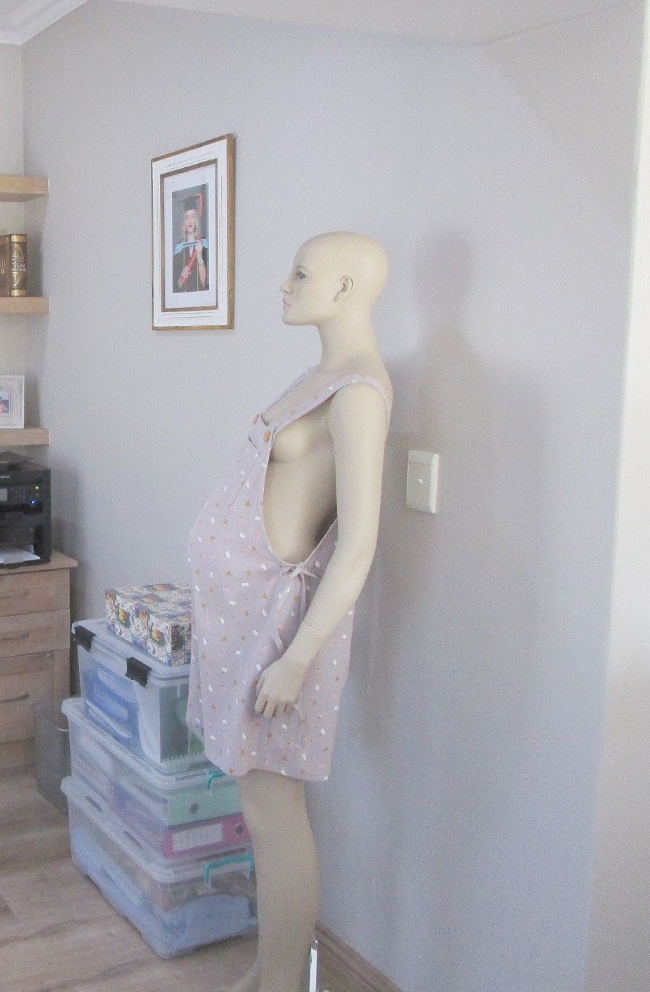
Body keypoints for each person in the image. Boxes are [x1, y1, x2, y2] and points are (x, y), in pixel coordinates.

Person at [186, 232, 392, 992]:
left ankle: (282, 983)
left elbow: (358, 545)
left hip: (280, 628)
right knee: (258, 807)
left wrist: (298, 656)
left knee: (276, 814)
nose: (284, 284)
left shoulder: (360, 393)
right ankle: (268, 970)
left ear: (344, 289)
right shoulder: (320, 376)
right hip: (242, 619)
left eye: (300, 274)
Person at [172, 200, 210, 293]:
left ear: (196, 220)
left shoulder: (204, 245)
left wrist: (200, 257)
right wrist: (182, 277)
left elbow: (204, 284)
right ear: (184, 222)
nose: (190, 220)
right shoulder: (179, 249)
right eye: (187, 217)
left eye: (192, 216)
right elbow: (176, 286)